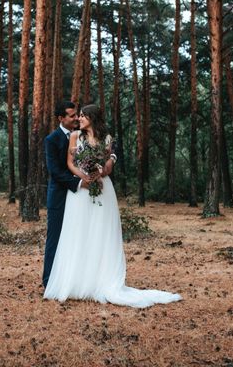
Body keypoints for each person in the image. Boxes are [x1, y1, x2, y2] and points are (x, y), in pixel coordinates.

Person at [44, 104, 182, 308]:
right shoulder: (75, 137)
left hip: (102, 189)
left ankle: (101, 279)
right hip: (80, 191)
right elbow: (69, 164)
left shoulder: (106, 138)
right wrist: (85, 178)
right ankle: (72, 280)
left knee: (101, 232)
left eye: (82, 115)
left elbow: (109, 159)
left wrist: (101, 171)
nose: (79, 119)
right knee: (78, 233)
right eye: (76, 115)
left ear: (92, 117)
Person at [42, 101, 110, 287]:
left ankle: (78, 278)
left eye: (77, 115)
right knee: (55, 239)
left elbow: (107, 146)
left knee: (80, 237)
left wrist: (109, 160)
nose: (75, 118)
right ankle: (50, 281)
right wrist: (81, 182)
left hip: (82, 198)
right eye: (71, 116)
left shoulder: (85, 134)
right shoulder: (52, 139)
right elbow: (55, 171)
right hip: (61, 195)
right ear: (60, 118)